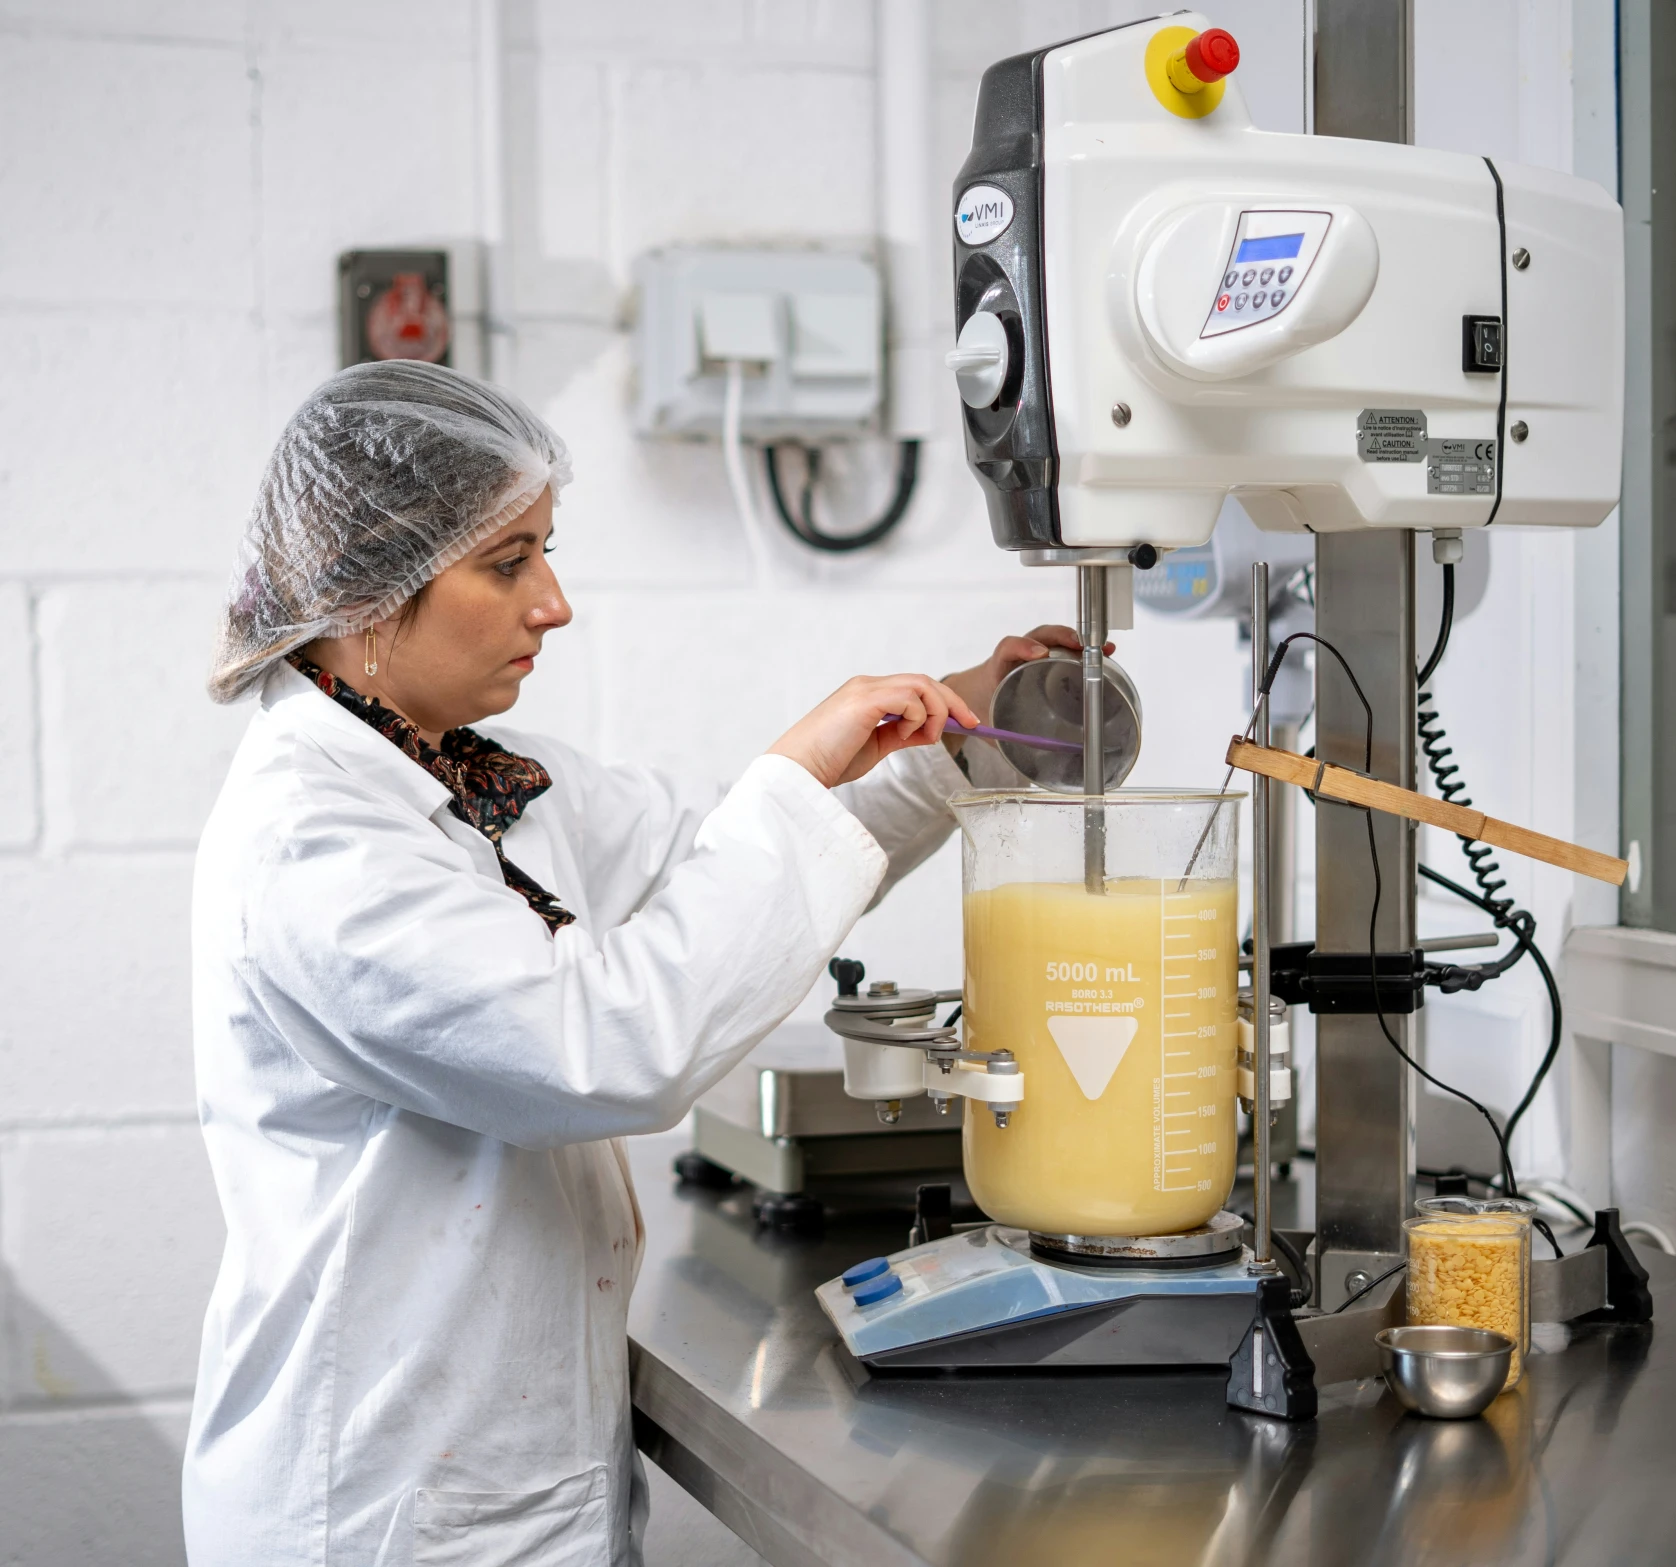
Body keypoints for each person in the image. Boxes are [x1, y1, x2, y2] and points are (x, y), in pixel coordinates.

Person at [183, 360, 1081, 1566]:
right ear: (365, 591)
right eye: (506, 563)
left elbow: (721, 863)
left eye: (545, 551)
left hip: (496, 1472)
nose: (551, 603)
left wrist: (964, 733)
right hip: (385, 1505)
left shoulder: (468, 776)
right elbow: (602, 1048)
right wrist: (794, 772)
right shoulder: (314, 842)